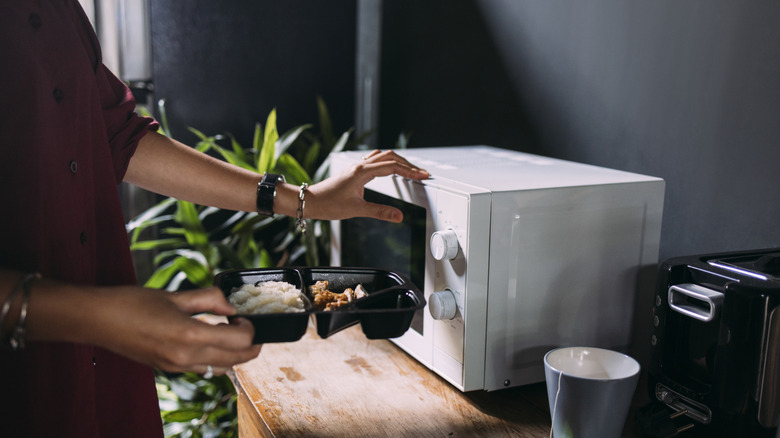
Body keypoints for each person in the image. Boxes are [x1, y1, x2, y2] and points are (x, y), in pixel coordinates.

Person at [0, 1, 429, 437]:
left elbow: (118, 136)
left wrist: (304, 199)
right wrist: (100, 318)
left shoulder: (61, 9)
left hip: (99, 379)